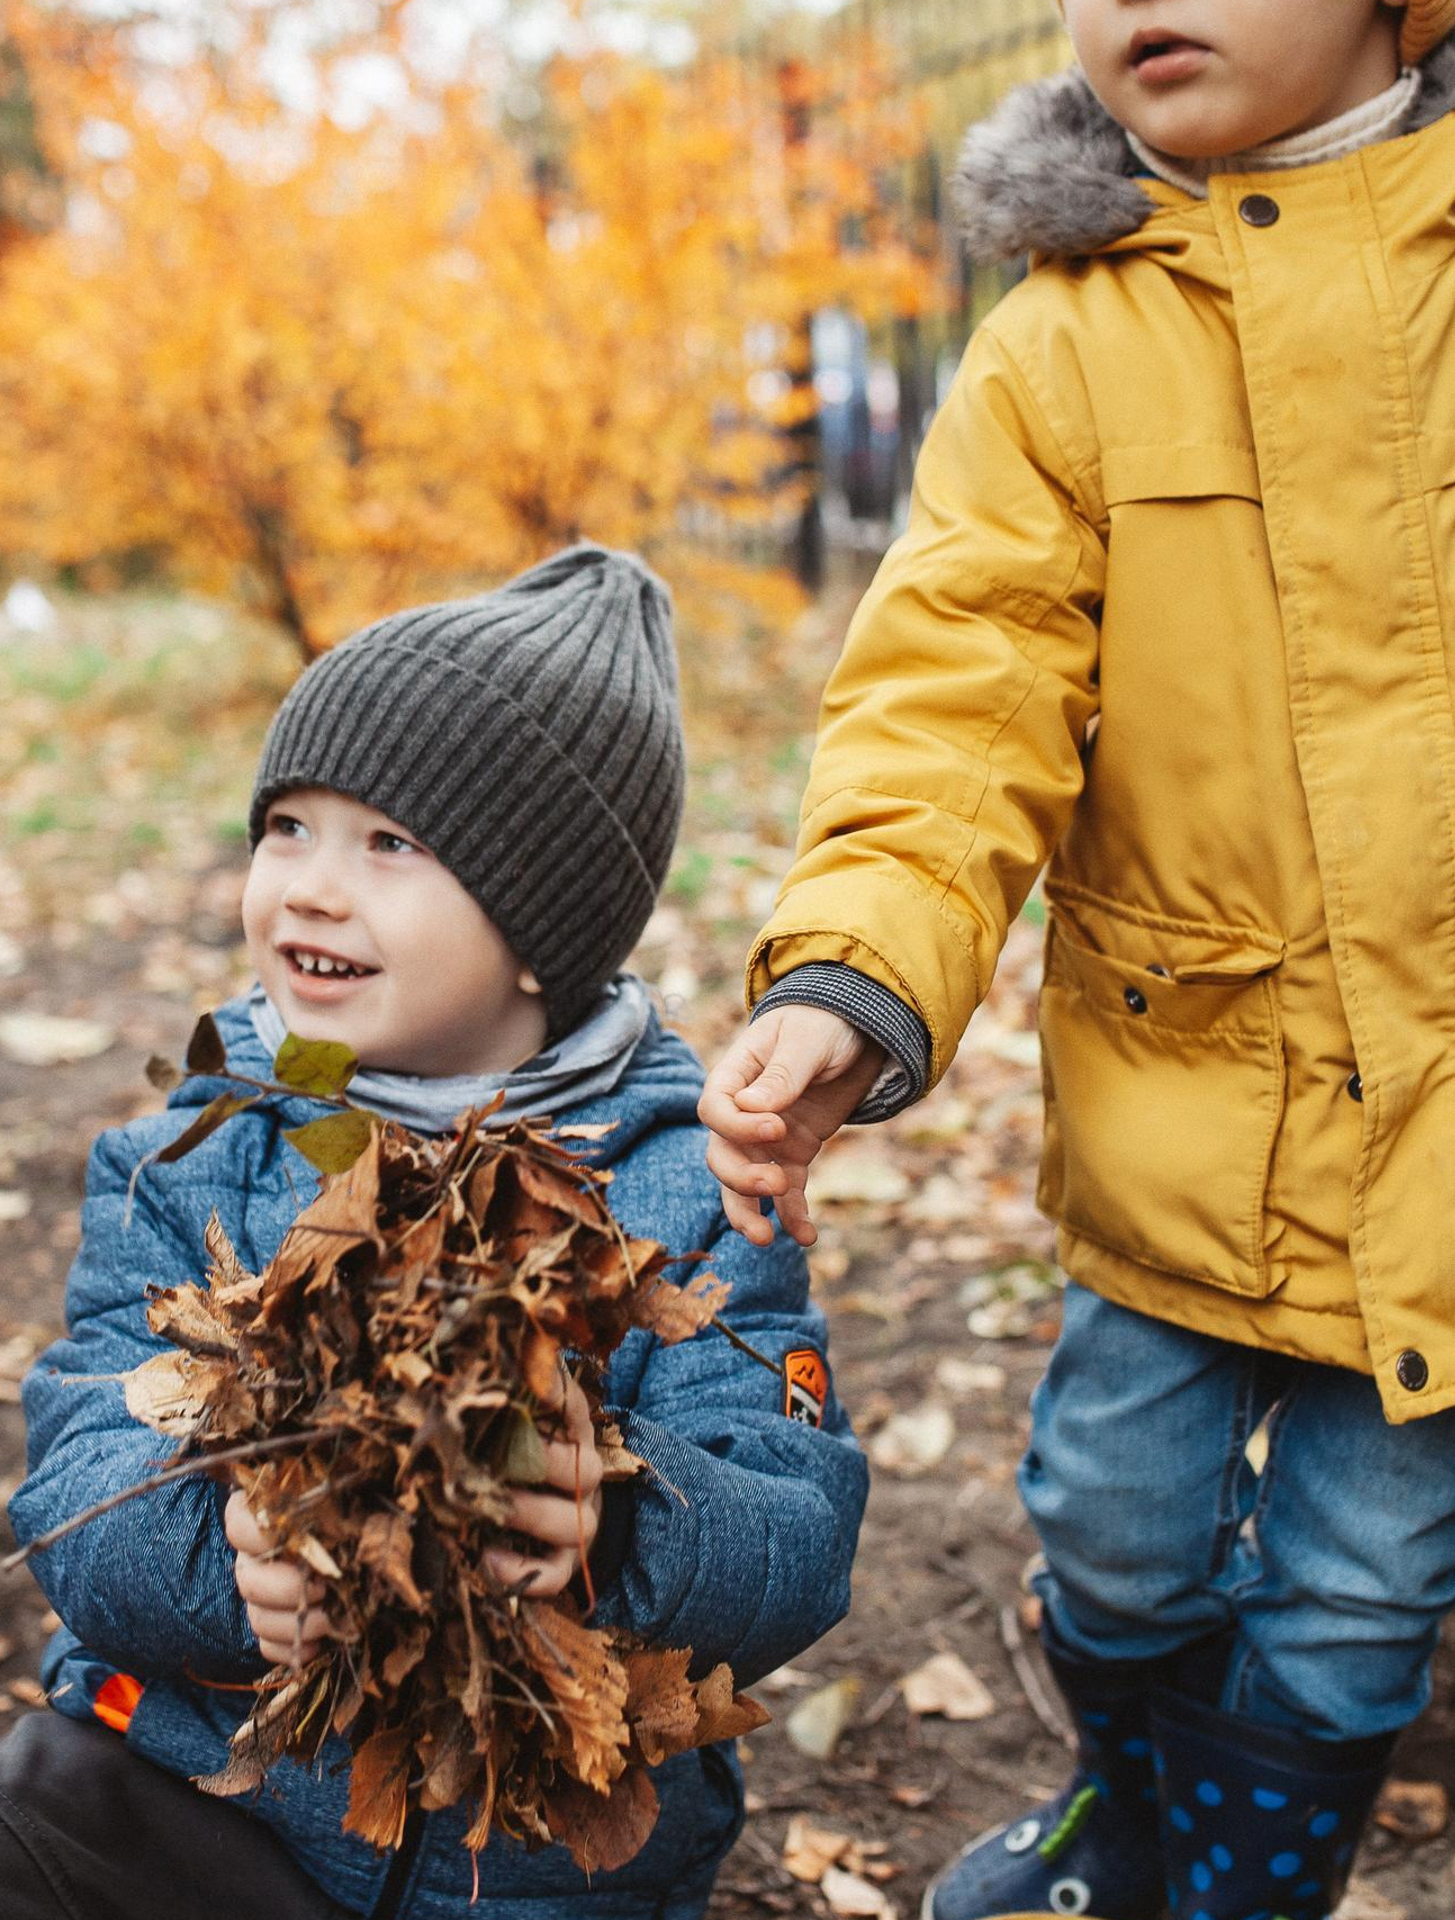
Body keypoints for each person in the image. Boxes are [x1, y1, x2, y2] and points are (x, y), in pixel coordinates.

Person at [0, 545, 869, 1920]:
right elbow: (77, 1469)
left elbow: (799, 1530)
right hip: (204, 1813)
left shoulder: (691, 1188)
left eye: (389, 846)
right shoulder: (201, 1155)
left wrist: (616, 1527)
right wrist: (224, 1564)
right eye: (285, 826)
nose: (305, 885)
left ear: (544, 927)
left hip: (517, 1879)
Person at [699, 4, 1455, 1917]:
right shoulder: (1067, 336)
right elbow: (961, 692)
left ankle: (1237, 1892)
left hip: (1446, 1150)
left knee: (1366, 1585)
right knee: (1115, 1542)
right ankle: (1136, 1826)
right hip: (1189, 1104)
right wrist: (851, 977)